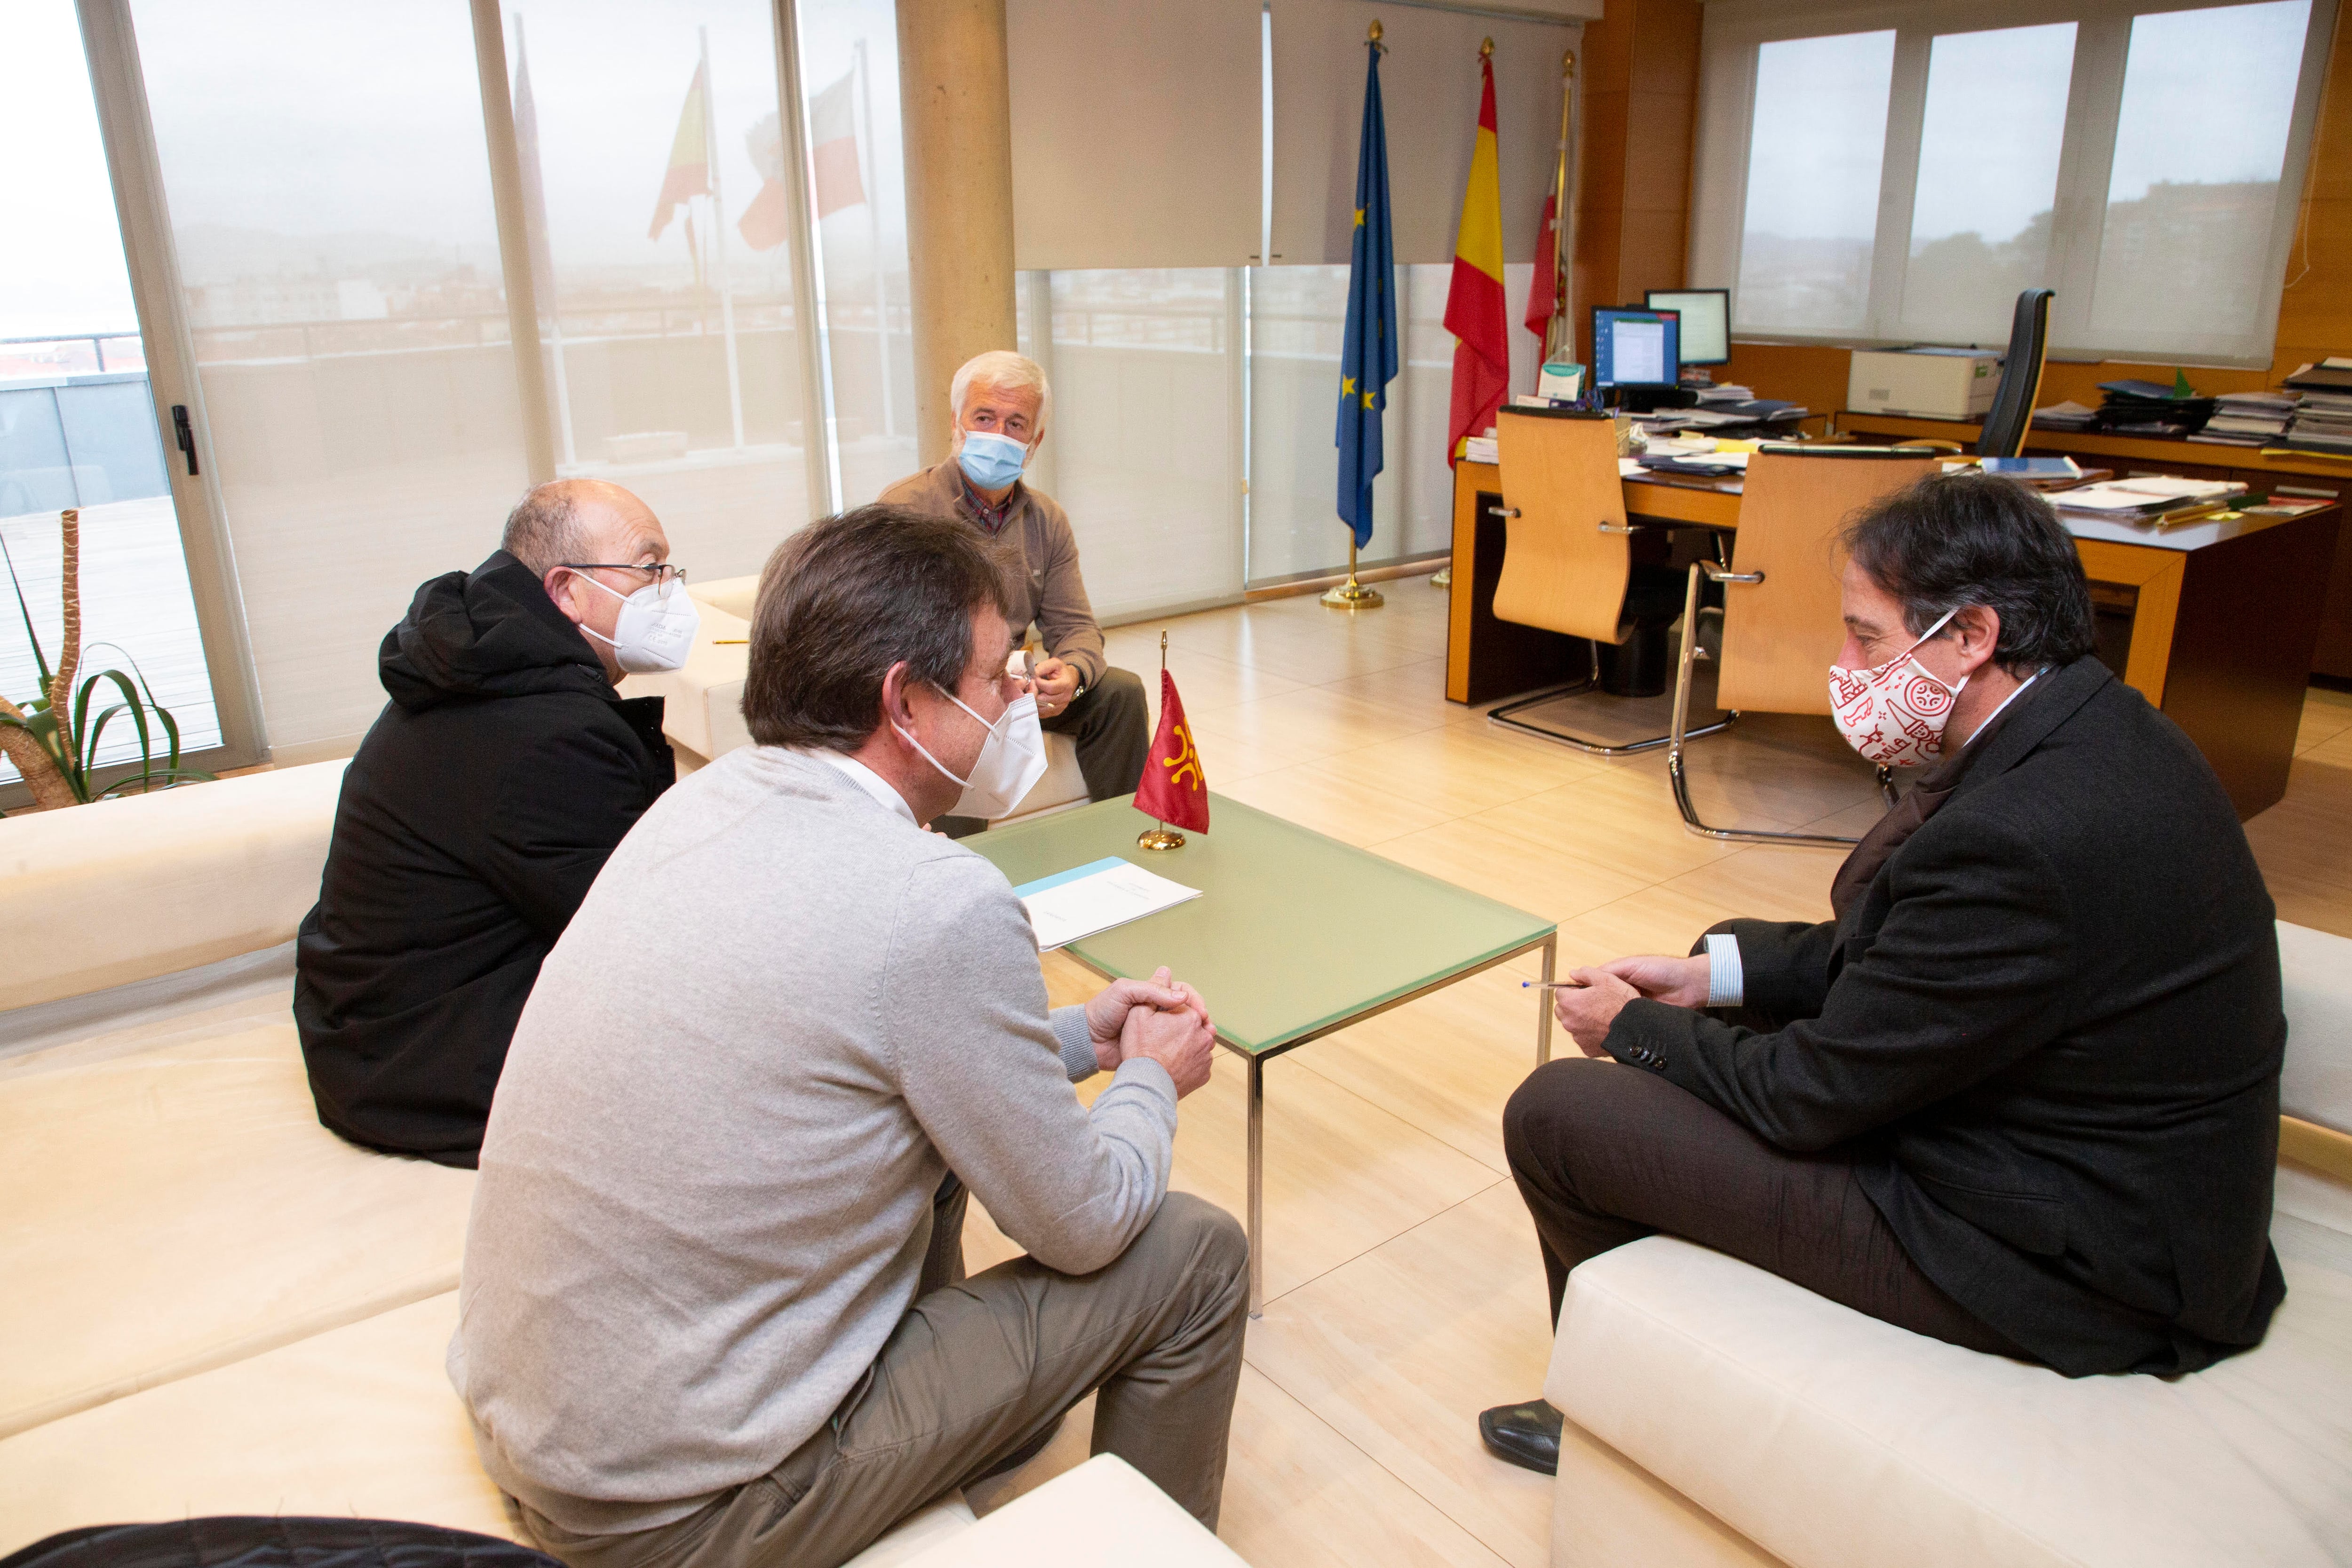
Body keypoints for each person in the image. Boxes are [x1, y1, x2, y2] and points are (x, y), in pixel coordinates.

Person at [448, 504, 1248, 1568]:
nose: (1017, 698)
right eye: (996, 674)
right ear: (905, 700)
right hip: (685, 1512)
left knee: (947, 1146)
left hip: (555, 1429)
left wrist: (1080, 1040)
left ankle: (956, 1433)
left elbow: (848, 1045)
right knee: (1192, 1253)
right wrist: (1149, 1077)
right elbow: (1089, 1224)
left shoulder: (702, 800)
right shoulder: (935, 899)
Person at [1478, 473, 2286, 1475]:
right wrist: (1711, 977)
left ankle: (1609, 1409)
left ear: (1970, 634)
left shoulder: (2018, 839)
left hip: (2074, 1261)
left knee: (1560, 1112)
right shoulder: (2090, 724)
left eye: (1865, 636)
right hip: (2078, 1148)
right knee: (1728, 951)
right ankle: (1682, 1330)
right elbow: (1921, 954)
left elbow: (1812, 1093)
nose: (1842, 664)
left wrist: (1634, 1031)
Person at [294, 479, 692, 1166]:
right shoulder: (544, 731)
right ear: (567, 590)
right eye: (651, 567)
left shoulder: (486, 663)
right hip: (422, 1063)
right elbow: (644, 934)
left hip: (374, 1027)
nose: (670, 590)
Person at [877, 349, 1148, 833]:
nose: (998, 435)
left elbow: (1077, 629)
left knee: (1119, 693)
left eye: (1016, 424)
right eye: (984, 418)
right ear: (956, 424)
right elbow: (886, 637)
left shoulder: (1046, 519)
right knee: (957, 725)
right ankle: (962, 873)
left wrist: (1071, 674)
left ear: (1035, 440)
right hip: (942, 688)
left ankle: (1128, 837)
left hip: (1017, 687)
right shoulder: (903, 511)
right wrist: (980, 683)